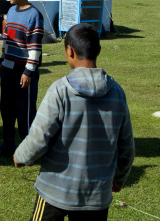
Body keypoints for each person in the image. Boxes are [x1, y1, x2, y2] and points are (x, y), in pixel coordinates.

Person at [13, 23, 135, 220]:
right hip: (96, 196)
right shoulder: (117, 93)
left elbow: (39, 136)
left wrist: (21, 157)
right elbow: (127, 145)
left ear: (69, 51)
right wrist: (120, 178)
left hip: (54, 191)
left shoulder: (60, 90)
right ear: (98, 50)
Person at [0, 0, 44, 157]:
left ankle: (29, 150)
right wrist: (2, 61)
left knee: (25, 112)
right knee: (6, 109)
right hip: (8, 69)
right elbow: (7, 40)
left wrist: (28, 72)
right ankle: (8, 145)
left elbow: (35, 48)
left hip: (24, 72)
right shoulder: (12, 11)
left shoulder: (34, 15)